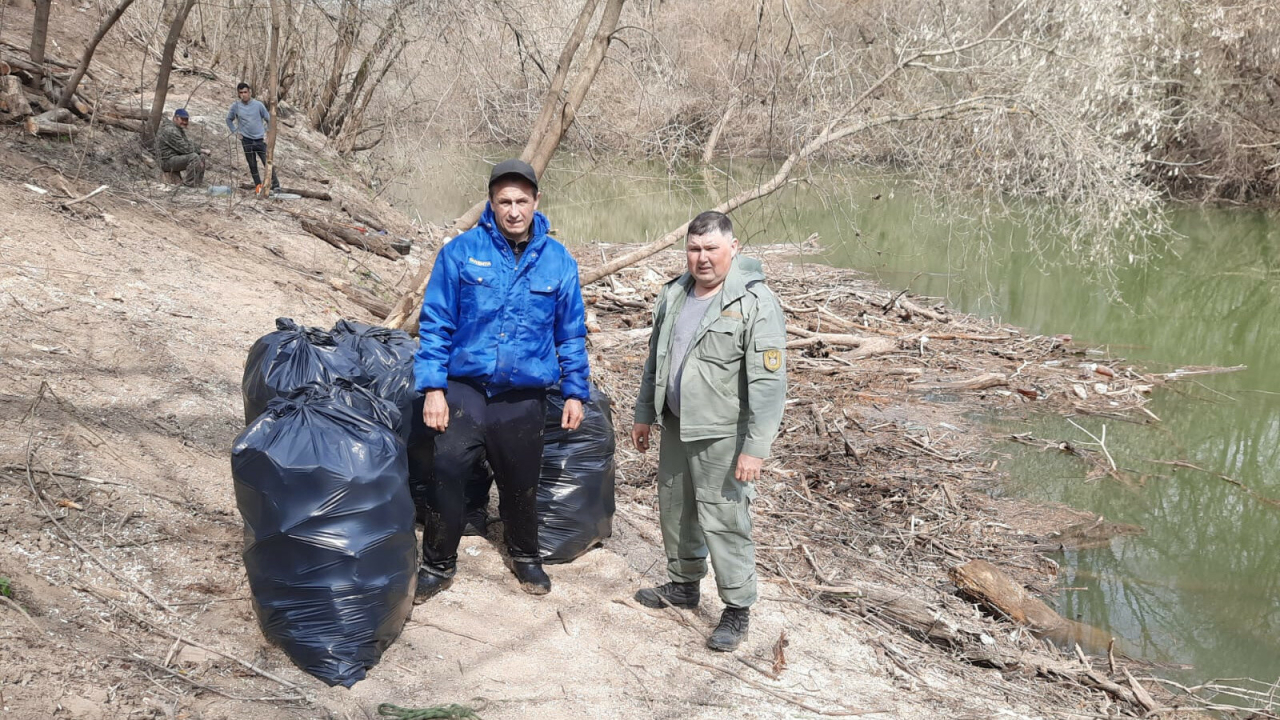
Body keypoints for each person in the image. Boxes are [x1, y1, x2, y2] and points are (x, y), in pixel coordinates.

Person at [412, 159, 590, 601]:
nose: (513, 211)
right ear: (491, 204)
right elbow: (435, 324)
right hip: (466, 388)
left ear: (536, 202)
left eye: (521, 201)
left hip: (523, 393)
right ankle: (437, 563)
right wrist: (433, 388)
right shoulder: (460, 252)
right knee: (448, 470)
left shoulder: (558, 261)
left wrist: (575, 392)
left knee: (521, 479)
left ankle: (525, 555)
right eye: (504, 202)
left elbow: (570, 334)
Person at [630, 210, 787, 652]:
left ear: (733, 248)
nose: (702, 258)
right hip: (676, 424)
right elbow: (656, 361)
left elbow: (769, 385)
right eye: (694, 249)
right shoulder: (675, 293)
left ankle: (737, 609)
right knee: (675, 509)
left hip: (723, 434)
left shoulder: (755, 302)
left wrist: (755, 448)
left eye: (711, 249)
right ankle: (684, 584)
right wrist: (644, 413)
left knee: (725, 520)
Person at [225, 82, 280, 192]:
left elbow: (269, 118)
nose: (243, 95)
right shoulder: (236, 106)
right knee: (252, 165)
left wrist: (268, 132)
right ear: (238, 94)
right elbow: (228, 119)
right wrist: (235, 132)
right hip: (246, 140)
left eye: (245, 92)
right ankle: (258, 187)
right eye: (241, 93)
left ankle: (276, 185)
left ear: (249, 92)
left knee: (267, 162)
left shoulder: (258, 105)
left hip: (260, 139)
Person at [155, 108, 209, 186]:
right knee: (194, 157)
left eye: (186, 120)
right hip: (165, 161)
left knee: (201, 157)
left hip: (173, 158)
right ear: (175, 118)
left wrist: (200, 150)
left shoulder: (177, 129)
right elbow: (186, 149)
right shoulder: (170, 130)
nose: (185, 122)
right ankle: (189, 184)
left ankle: (196, 184)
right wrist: (201, 150)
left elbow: (187, 143)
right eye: (182, 119)